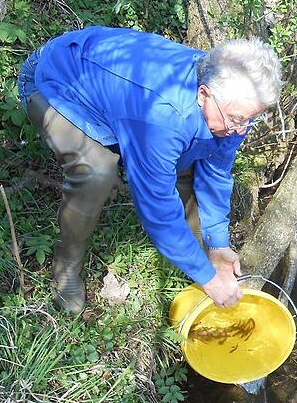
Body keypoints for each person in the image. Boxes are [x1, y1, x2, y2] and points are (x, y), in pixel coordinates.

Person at [17, 26, 282, 314]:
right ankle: (66, 266)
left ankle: (199, 261)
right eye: (237, 120)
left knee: (190, 162)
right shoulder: (162, 116)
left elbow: (216, 171)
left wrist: (217, 243)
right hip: (56, 84)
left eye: (250, 120)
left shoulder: (232, 102)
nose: (240, 130)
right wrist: (208, 279)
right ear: (203, 94)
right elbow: (156, 208)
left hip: (121, 95)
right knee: (96, 172)